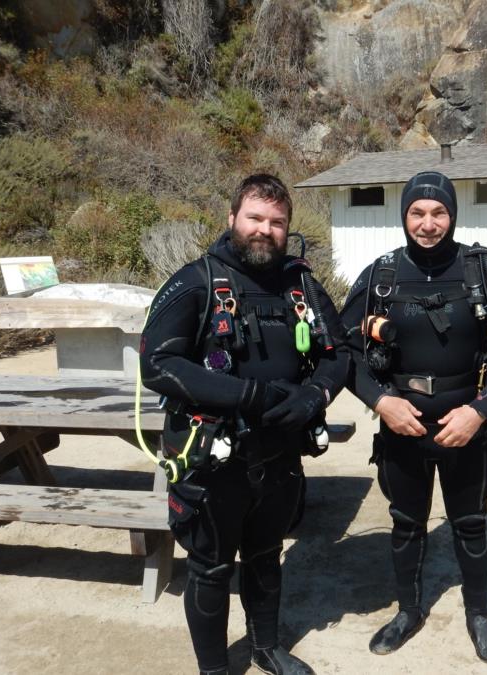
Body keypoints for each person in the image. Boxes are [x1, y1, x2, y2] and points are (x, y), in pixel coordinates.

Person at [140, 174, 348, 675]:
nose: (265, 230)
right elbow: (158, 365)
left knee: (266, 556)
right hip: (213, 458)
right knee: (210, 569)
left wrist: (313, 395)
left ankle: (265, 647)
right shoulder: (197, 280)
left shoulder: (300, 284)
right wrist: (246, 395)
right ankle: (214, 669)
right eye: (255, 218)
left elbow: (339, 353)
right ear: (232, 218)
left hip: (280, 454)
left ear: (288, 229)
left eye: (277, 222)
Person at [339, 171, 487, 664]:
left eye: (439, 212)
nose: (428, 224)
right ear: (404, 216)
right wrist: (381, 402)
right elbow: (342, 350)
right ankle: (408, 611)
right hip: (401, 423)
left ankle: (478, 616)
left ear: (453, 215)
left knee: (470, 523)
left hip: (464, 425)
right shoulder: (381, 275)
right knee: (406, 524)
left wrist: (479, 411)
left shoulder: (481, 271)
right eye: (417, 213)